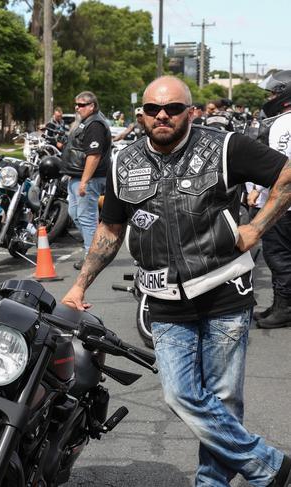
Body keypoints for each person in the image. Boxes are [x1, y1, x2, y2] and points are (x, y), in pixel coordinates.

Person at [62, 75, 291, 487]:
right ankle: (269, 465)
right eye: (152, 109)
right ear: (142, 114)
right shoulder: (123, 162)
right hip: (163, 298)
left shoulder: (224, 147)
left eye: (171, 108)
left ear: (190, 111)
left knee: (222, 402)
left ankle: (211, 484)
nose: (161, 116)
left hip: (225, 291)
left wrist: (256, 227)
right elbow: (110, 230)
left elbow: (287, 174)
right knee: (180, 395)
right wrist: (80, 284)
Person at [249, 70, 291, 329]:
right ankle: (280, 304)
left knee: (279, 257)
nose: (271, 97)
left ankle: (285, 308)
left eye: (274, 92)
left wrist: (257, 189)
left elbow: (277, 167)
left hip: (281, 205)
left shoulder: (283, 124)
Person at [61, 91, 111, 269]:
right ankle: (96, 249)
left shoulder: (95, 124)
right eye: (76, 104)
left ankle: (93, 258)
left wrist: (84, 181)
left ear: (92, 106)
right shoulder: (86, 122)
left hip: (89, 178)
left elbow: (94, 155)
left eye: (81, 105)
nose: (77, 108)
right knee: (76, 214)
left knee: (87, 217)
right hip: (78, 176)